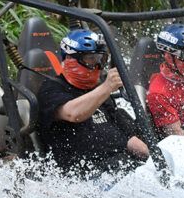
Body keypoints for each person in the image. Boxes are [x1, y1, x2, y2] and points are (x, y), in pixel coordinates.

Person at [38, 28, 148, 177]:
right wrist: (106, 87)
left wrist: (154, 157)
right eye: (91, 59)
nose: (97, 66)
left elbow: (126, 134)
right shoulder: (52, 88)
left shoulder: (98, 91)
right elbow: (72, 113)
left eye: (100, 60)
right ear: (70, 59)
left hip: (120, 165)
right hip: (81, 174)